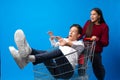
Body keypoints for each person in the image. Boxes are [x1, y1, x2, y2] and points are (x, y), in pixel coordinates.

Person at [9, 24, 84, 79]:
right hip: (56, 71)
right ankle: (27, 51)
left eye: (73, 32)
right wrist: (52, 38)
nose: (70, 33)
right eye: (70, 31)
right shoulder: (64, 39)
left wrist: (66, 43)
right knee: (45, 53)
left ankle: (26, 59)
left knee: (58, 52)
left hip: (68, 72)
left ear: (78, 35)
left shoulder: (80, 44)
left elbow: (77, 48)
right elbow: (54, 45)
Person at [78, 8, 109, 80]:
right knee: (81, 66)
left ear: (99, 16)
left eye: (94, 14)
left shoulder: (104, 27)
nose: (91, 16)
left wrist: (97, 39)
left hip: (95, 51)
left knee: (97, 68)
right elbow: (81, 34)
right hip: (84, 49)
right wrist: (66, 39)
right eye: (91, 14)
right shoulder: (88, 23)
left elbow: (106, 43)